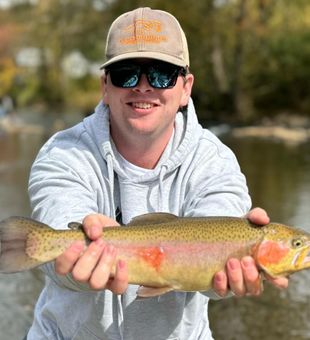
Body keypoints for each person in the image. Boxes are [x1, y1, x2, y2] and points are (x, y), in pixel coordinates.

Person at [26, 7, 288, 340]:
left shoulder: (216, 161)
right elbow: (55, 245)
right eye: (126, 73)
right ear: (105, 86)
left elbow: (214, 263)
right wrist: (79, 259)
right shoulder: (62, 153)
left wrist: (228, 273)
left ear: (185, 87)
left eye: (162, 73)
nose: (144, 87)